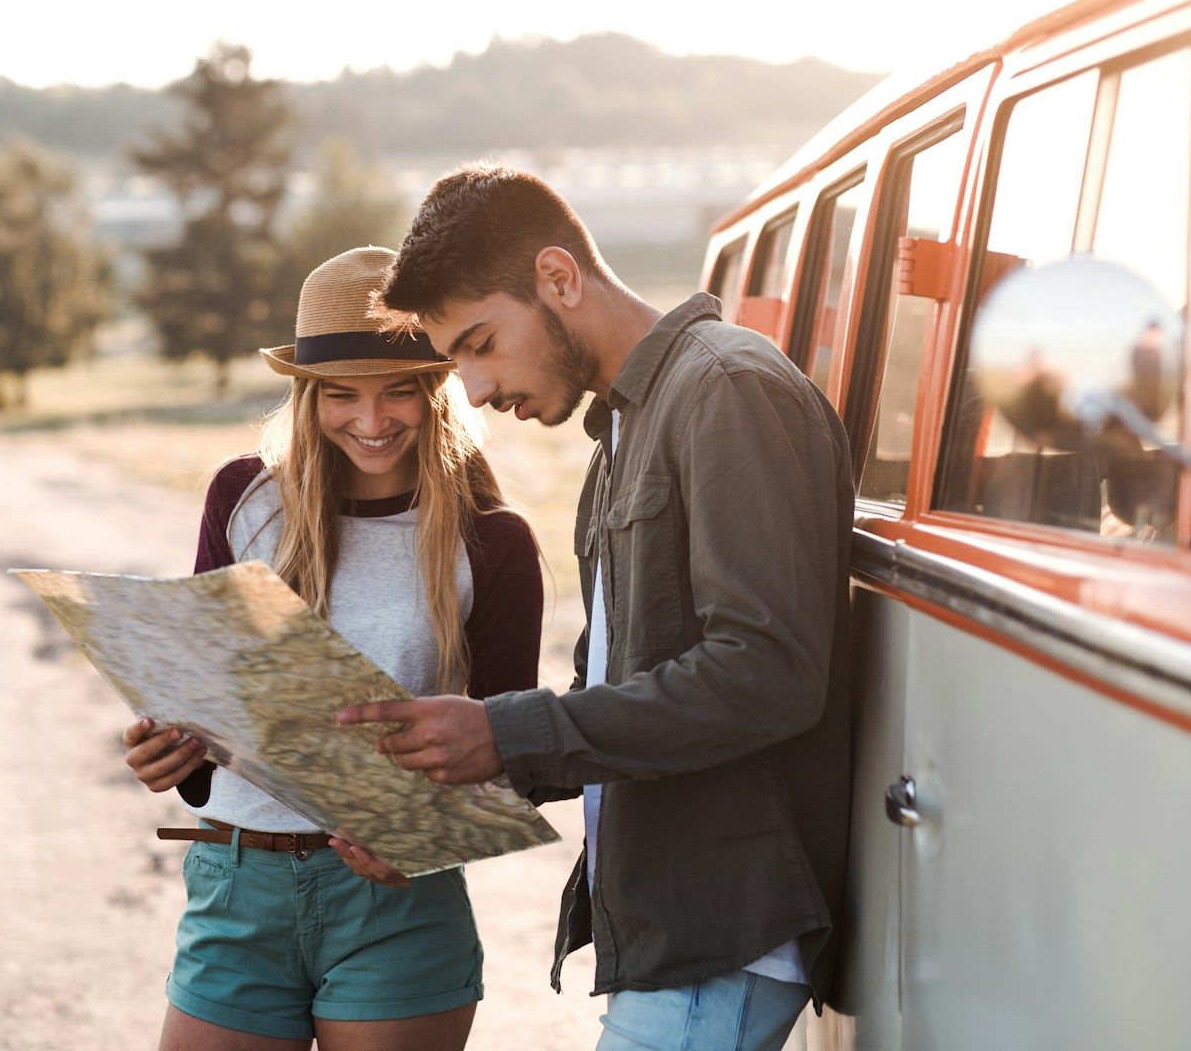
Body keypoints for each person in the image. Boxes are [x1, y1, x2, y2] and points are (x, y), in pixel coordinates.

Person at [337, 167, 854, 1051]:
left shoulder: (725, 388)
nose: (476, 391)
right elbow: (618, 698)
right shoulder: (622, 429)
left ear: (560, 279)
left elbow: (768, 673)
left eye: (482, 343)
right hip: (668, 926)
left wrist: (507, 731)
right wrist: (441, 803)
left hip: (716, 927)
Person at [122, 246, 544, 1051]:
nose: (372, 420)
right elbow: (208, 712)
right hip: (236, 886)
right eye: (340, 395)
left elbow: (509, 755)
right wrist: (171, 752)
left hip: (396, 906)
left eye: (399, 393)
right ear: (306, 394)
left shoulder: (491, 541)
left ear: (436, 389)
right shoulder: (243, 501)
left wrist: (421, 851)